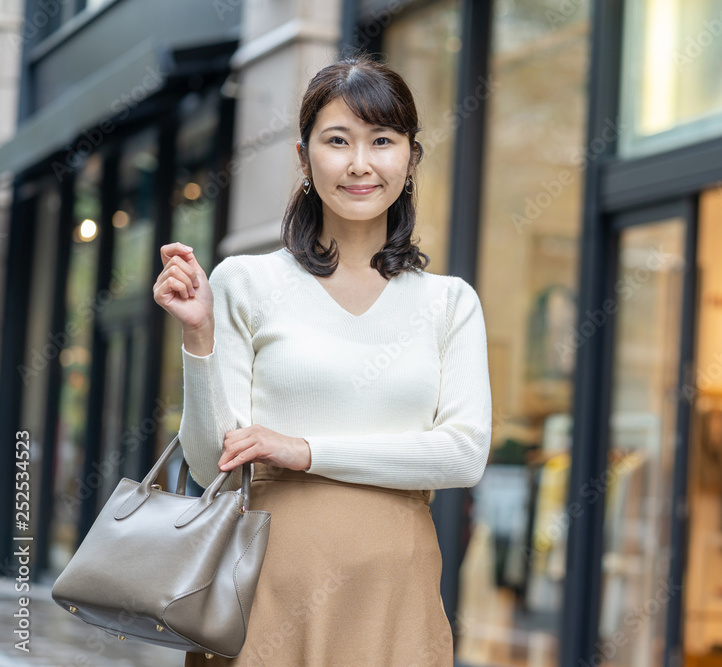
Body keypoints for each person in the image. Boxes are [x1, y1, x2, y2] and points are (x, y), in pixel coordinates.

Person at [152, 53, 492, 666]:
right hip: (263, 589)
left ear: (410, 158)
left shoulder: (449, 303)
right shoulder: (246, 283)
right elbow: (210, 462)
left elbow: (463, 453)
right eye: (338, 141)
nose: (361, 163)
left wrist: (304, 450)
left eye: (382, 141)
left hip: (395, 593)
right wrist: (198, 337)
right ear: (305, 158)